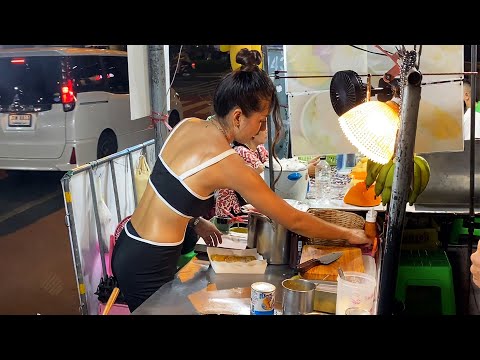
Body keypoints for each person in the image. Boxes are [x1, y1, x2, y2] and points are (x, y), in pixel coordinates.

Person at [111, 48, 372, 312]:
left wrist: (196, 220)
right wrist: (348, 234)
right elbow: (293, 219)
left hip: (131, 243)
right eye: (260, 121)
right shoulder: (226, 161)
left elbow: (169, 188)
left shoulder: (187, 125)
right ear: (237, 116)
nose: (261, 129)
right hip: (149, 263)